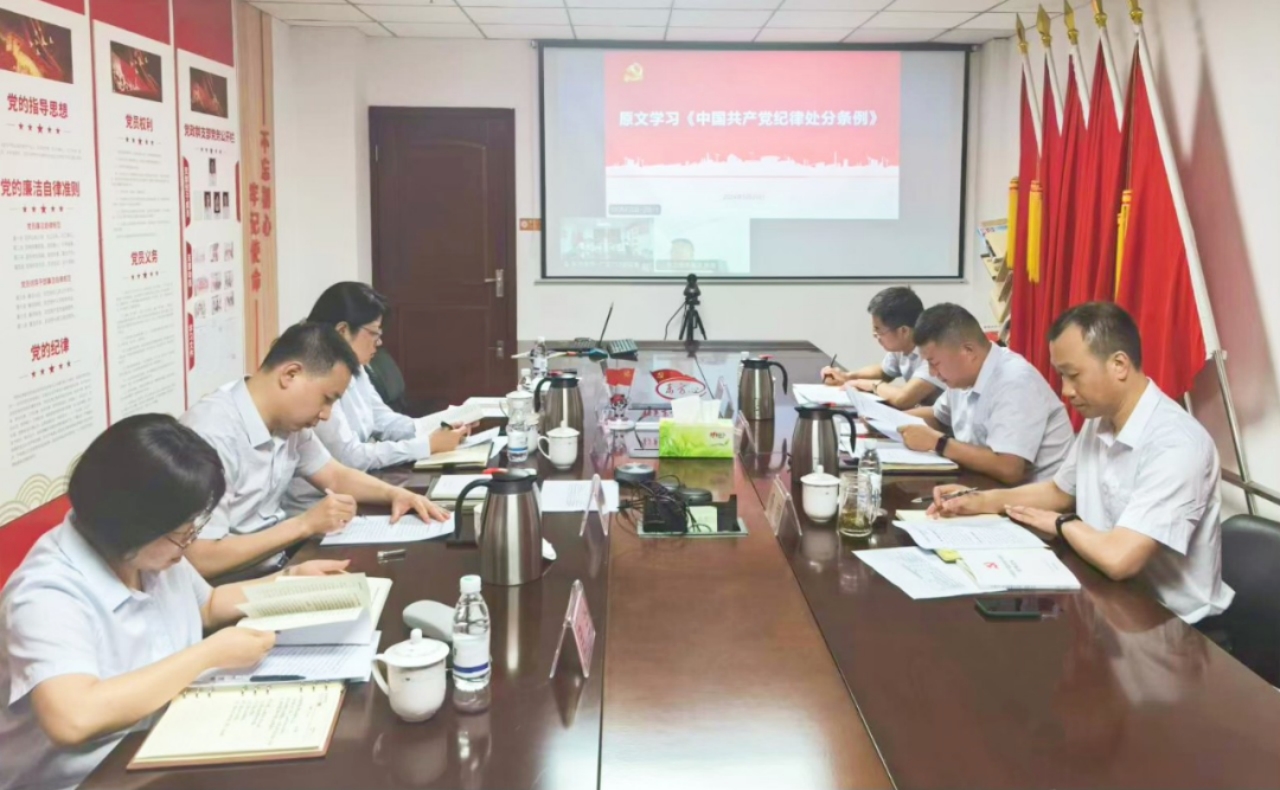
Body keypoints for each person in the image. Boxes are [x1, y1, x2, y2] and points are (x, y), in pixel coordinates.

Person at [0, 415, 349, 790]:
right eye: (181, 534)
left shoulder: (145, 549)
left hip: (168, 743)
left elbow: (208, 604)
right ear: (131, 525)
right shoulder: (46, 593)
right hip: (93, 778)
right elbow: (74, 718)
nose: (188, 545)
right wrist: (209, 654)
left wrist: (289, 582)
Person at [930, 303, 1234, 623]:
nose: (1066, 391)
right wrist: (979, 500)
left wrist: (1062, 524)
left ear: (1119, 365)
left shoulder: (1176, 444)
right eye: (1062, 376)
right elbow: (1059, 492)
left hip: (1171, 622)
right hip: (1105, 598)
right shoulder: (1100, 421)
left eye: (1073, 375)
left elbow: (1119, 558)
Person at [180, 322, 448, 579]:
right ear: (290, 375)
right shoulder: (212, 434)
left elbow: (335, 476)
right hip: (236, 585)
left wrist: (395, 494)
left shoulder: (288, 422)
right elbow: (202, 559)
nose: (326, 414)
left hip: (281, 565)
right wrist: (305, 524)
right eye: (326, 399)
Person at [284, 283, 468, 512]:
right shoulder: (314, 378)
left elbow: (383, 420)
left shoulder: (357, 368)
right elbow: (349, 457)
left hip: (351, 495)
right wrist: (426, 445)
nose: (379, 342)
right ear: (342, 331)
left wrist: (439, 427)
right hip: (317, 507)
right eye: (374, 333)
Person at [899, 303, 1072, 484]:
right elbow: (937, 416)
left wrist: (939, 443)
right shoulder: (962, 377)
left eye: (934, 363)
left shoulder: (1014, 381)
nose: (932, 373)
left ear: (968, 351)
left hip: (1032, 496)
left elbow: (1009, 468)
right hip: (987, 486)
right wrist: (891, 420)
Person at [820, 286, 944, 409]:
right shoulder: (903, 346)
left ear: (904, 331)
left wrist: (865, 384)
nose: (875, 335)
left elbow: (903, 399)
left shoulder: (933, 353)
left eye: (878, 330)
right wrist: (847, 376)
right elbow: (884, 371)